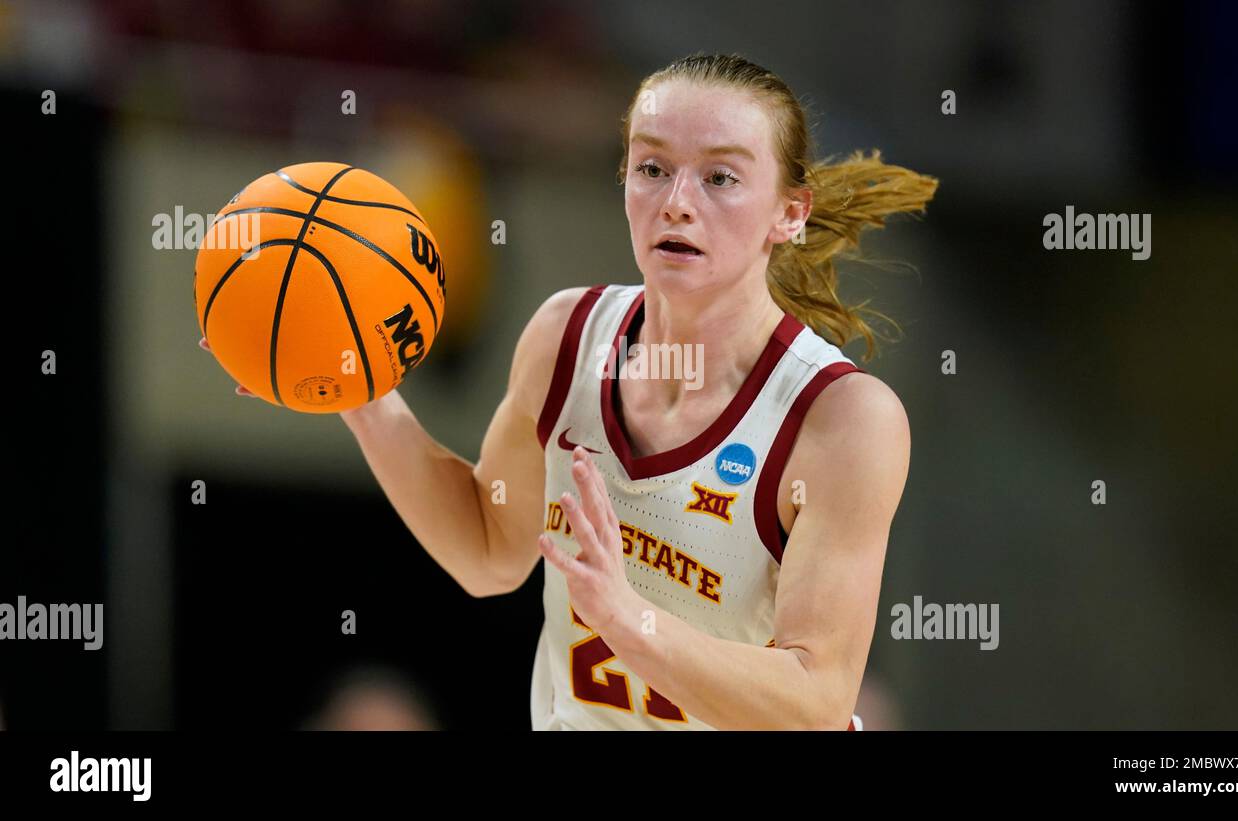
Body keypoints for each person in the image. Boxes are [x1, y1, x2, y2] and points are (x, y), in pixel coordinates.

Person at [204, 53, 936, 730]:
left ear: (791, 212)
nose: (678, 201)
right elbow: (490, 551)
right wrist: (362, 394)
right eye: (652, 167)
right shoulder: (566, 338)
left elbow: (814, 699)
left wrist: (629, 622)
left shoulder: (841, 419)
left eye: (720, 177)